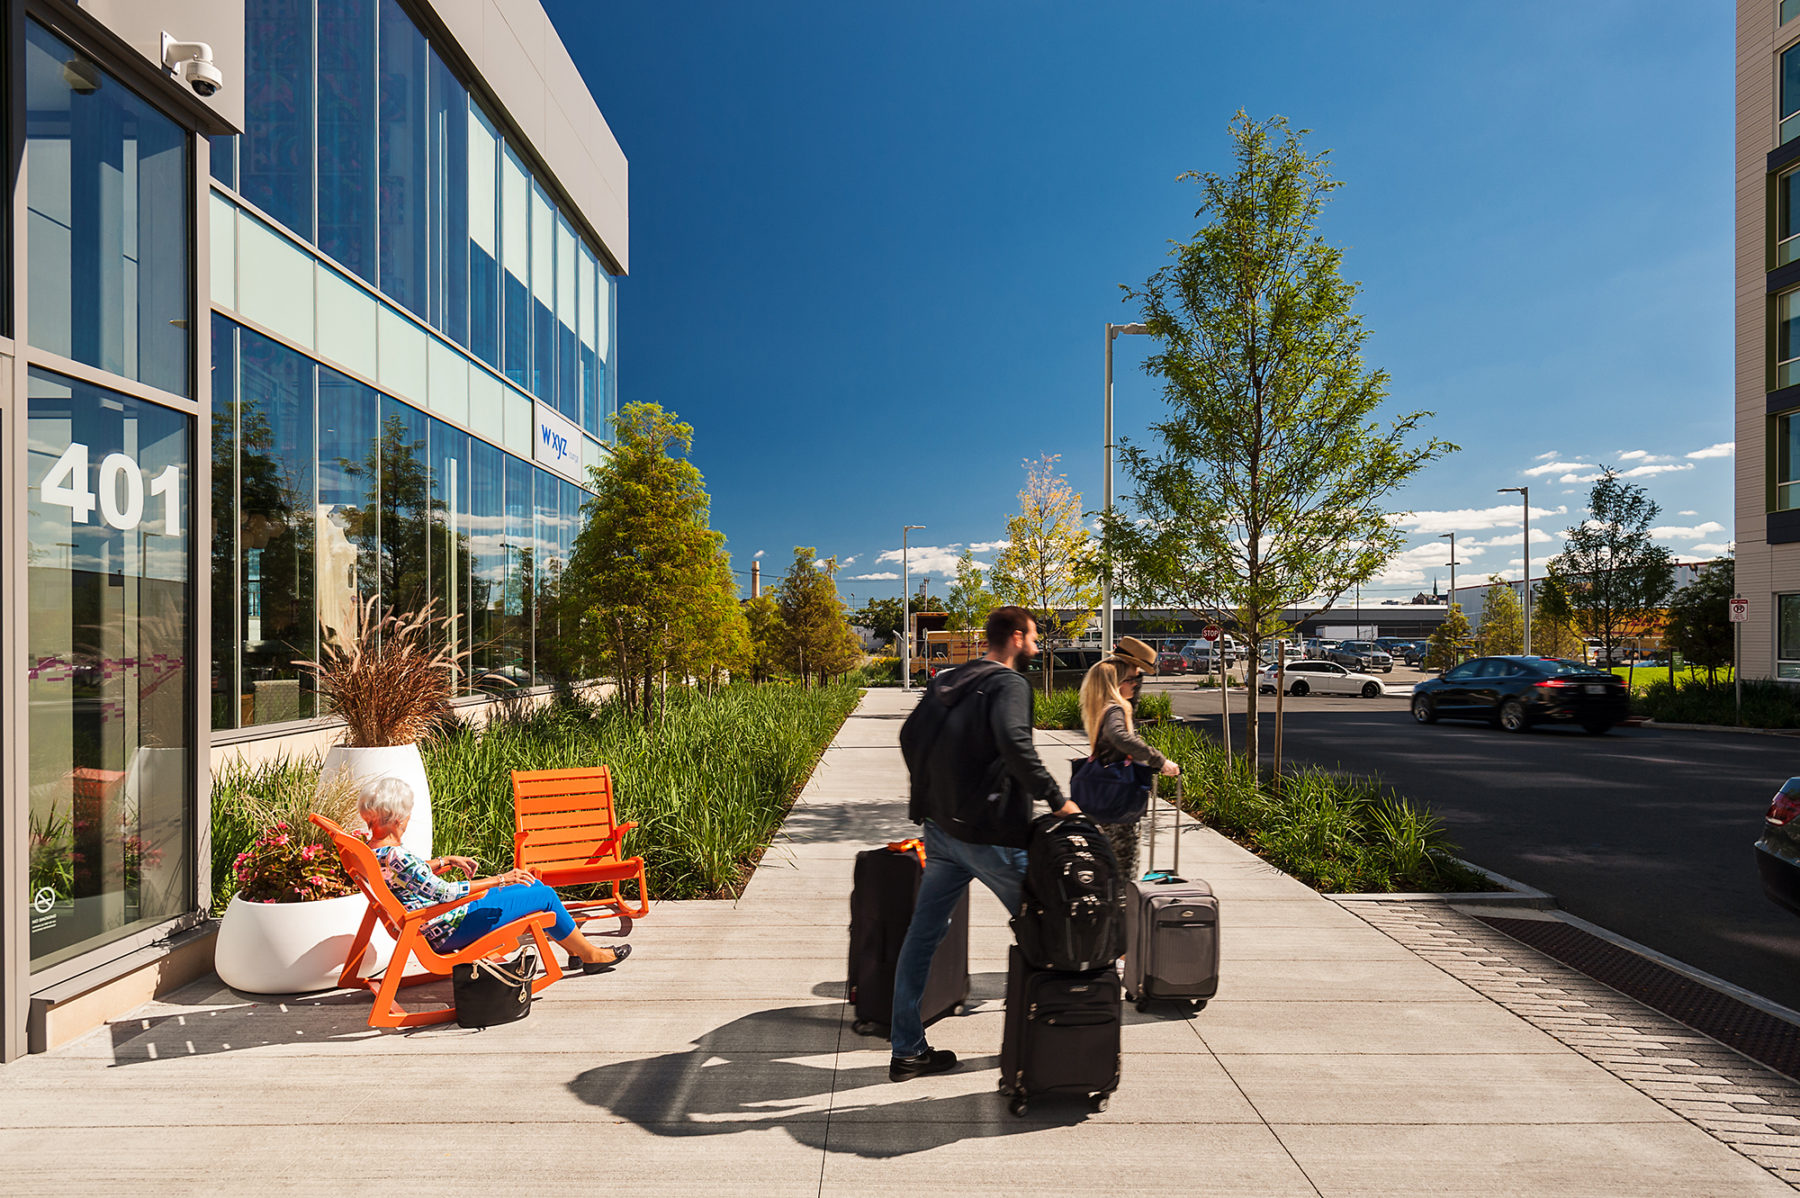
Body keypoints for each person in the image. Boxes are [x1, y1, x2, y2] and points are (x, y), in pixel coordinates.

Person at [890, 605, 1080, 1082]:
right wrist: (1058, 800)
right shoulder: (1008, 684)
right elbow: (1017, 744)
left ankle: (907, 1050)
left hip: (943, 831)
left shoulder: (951, 679)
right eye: (1033, 637)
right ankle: (1047, 1043)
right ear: (1016, 637)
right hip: (990, 834)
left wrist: (935, 798)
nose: (1036, 646)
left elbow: (910, 735)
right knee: (1049, 923)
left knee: (922, 937)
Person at [360, 777, 631, 974]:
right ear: (396, 819)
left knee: (533, 885)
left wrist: (445, 860)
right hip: (448, 927)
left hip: (434, 922)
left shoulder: (374, 850)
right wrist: (502, 878)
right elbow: (445, 893)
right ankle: (589, 954)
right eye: (406, 815)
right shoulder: (398, 855)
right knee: (543, 894)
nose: (408, 820)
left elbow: (408, 876)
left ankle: (575, 949)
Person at [1079, 636, 1180, 882]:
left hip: (1104, 800)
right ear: (1118, 680)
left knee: (1109, 872)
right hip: (1118, 803)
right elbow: (1121, 738)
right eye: (1133, 678)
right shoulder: (1114, 709)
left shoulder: (1104, 706)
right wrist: (1159, 760)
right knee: (1123, 874)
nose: (1136, 684)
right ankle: (1119, 917)